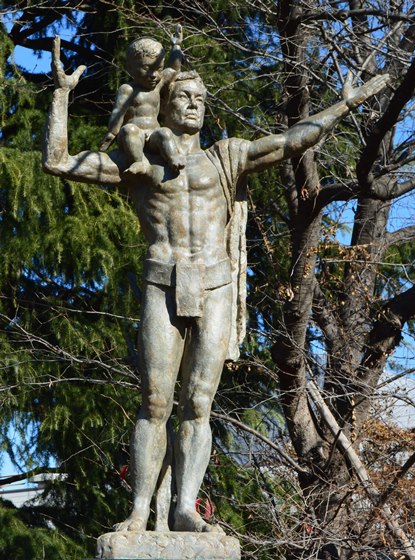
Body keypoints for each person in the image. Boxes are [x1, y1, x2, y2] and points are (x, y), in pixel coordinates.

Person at [43, 36, 389, 533]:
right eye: (184, 97)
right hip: (162, 282)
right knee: (155, 402)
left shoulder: (226, 156)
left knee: (199, 403)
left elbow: (291, 141)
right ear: (164, 105)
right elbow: (57, 161)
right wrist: (61, 96)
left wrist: (345, 104)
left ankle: (186, 506)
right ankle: (140, 509)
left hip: (215, 284)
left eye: (201, 99)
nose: (194, 105)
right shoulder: (136, 165)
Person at [99, 26, 184, 176]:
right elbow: (118, 114)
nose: (154, 75)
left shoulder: (158, 85)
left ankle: (173, 158)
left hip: (152, 134)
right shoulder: (127, 89)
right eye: (146, 68)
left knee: (165, 132)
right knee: (129, 130)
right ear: (131, 68)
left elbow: (174, 70)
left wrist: (176, 46)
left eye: (158, 69)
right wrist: (112, 133)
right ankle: (138, 162)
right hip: (133, 134)